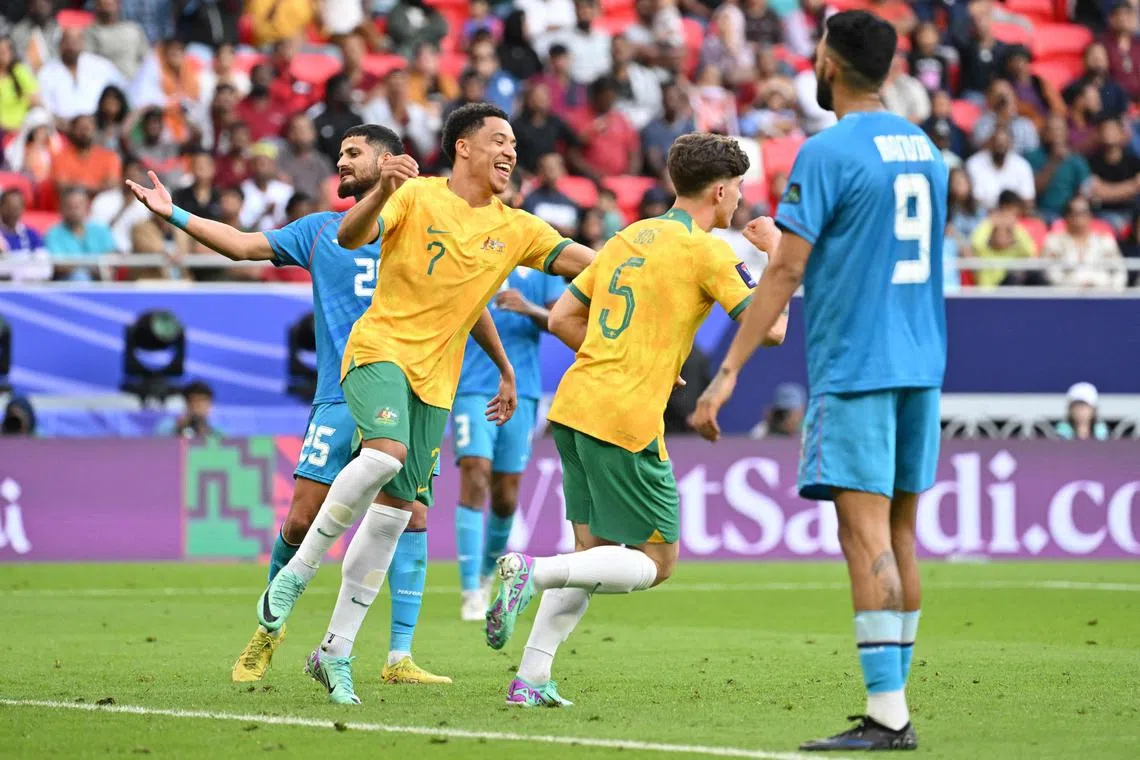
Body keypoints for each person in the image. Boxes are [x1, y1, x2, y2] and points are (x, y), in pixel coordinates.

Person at [254, 103, 596, 705]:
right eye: (499, 139)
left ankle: (333, 652)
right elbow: (348, 235)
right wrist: (384, 190)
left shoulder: (518, 227)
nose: (511, 151)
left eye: (514, 142)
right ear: (463, 147)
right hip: (377, 352)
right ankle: (294, 577)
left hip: (436, 384)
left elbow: (586, 263)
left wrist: (643, 270)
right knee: (384, 455)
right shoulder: (415, 195)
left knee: (394, 517)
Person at [692, 11, 947, 751]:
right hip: (920, 362)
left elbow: (789, 268)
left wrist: (728, 372)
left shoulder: (827, 150)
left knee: (862, 532)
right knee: (902, 532)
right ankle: (896, 705)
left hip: (858, 364)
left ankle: (888, 716)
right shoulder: (927, 148)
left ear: (829, 64)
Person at [126, 125, 453, 689]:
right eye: (341, 152)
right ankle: (267, 634)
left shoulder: (427, 229)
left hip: (410, 394)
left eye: (354, 153)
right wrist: (173, 214)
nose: (341, 161)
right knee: (302, 517)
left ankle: (398, 655)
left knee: (413, 516)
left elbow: (469, 296)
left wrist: (499, 366)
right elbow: (244, 244)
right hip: (339, 393)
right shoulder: (321, 231)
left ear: (390, 161)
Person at [483, 132, 787, 707]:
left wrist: (636, 359)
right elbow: (770, 330)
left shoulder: (627, 237)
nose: (741, 201)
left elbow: (564, 318)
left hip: (574, 406)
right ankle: (531, 570)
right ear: (720, 190)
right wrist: (776, 255)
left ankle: (531, 679)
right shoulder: (708, 250)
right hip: (624, 416)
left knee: (592, 553)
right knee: (656, 561)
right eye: (740, 190)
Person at [452, 256, 568, 622]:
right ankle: (470, 588)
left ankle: (487, 575)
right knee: (474, 470)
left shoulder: (538, 266)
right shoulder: (466, 253)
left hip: (523, 389)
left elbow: (562, 321)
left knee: (505, 495)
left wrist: (527, 307)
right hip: (470, 384)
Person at [1042, 196, 1127, 290]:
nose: (1078, 218)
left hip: (1102, 294)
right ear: (1066, 217)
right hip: (1066, 296)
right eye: (1074, 213)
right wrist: (1074, 288)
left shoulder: (1105, 241)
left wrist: (1112, 294)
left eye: (1083, 213)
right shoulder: (1054, 241)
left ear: (1090, 216)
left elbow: (1119, 272)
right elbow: (1051, 273)